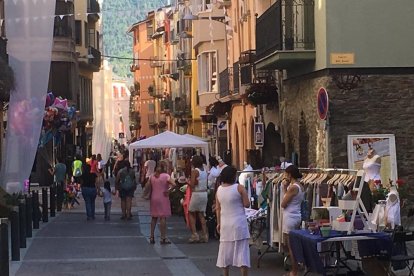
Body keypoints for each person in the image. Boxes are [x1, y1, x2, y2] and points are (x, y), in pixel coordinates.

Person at [216, 166, 250, 276]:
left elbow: (218, 208)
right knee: (242, 254)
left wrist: (219, 222)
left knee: (225, 253)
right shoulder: (239, 188)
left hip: (225, 224)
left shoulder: (219, 189)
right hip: (239, 223)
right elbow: (247, 204)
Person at [281, 165, 305, 276]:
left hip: (290, 217)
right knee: (293, 245)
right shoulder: (299, 186)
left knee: (291, 246)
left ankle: (294, 271)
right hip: (296, 216)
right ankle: (297, 266)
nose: (285, 176)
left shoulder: (293, 187)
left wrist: (283, 188)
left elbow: (283, 203)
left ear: (290, 175)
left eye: (286, 174)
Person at [149, 161, 175, 244]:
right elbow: (174, 184)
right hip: (163, 197)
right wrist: (169, 190)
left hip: (154, 197)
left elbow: (149, 186)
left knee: (154, 217)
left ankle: (151, 236)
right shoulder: (166, 176)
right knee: (162, 217)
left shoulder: (152, 176)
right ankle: (163, 237)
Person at [187, 155, 209, 243]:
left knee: (191, 212)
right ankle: (205, 234)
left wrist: (187, 182)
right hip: (204, 193)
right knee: (201, 214)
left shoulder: (195, 171)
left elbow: (192, 184)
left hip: (197, 193)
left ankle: (194, 234)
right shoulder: (205, 170)